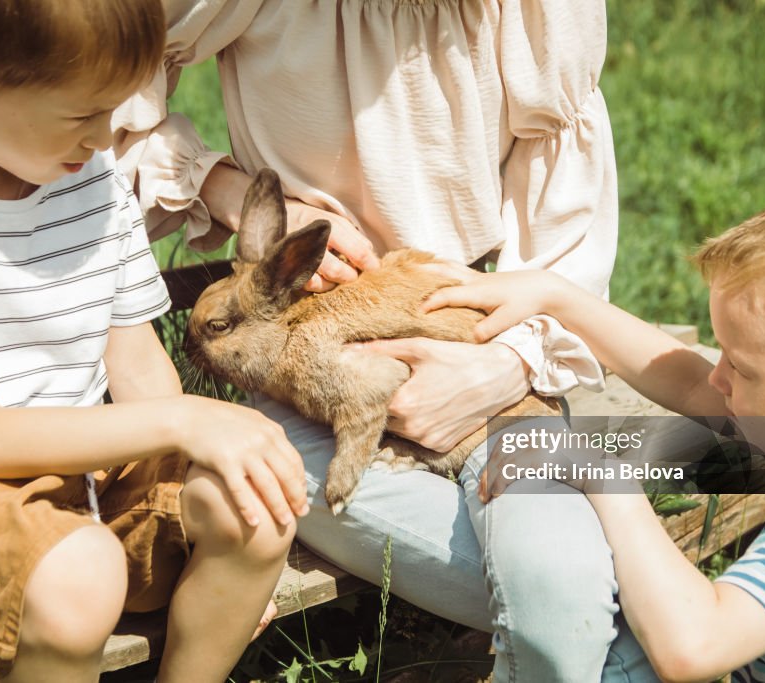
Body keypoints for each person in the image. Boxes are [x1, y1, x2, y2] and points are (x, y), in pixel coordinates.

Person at [114, 1, 656, 680]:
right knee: (563, 615)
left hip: (488, 364)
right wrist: (222, 187)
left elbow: (562, 238)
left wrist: (507, 361)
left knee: (558, 593)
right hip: (302, 398)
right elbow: (83, 100)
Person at [0, 1, 309, 681]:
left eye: (114, 111)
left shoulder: (83, 171)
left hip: (90, 473)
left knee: (252, 503)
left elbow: (134, 358)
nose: (106, 137)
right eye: (82, 116)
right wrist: (185, 418)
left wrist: (203, 477)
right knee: (83, 572)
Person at [425, 179, 765, 681]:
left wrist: (608, 480)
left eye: (739, 367)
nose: (719, 376)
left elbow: (693, 648)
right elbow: (693, 383)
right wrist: (555, 296)